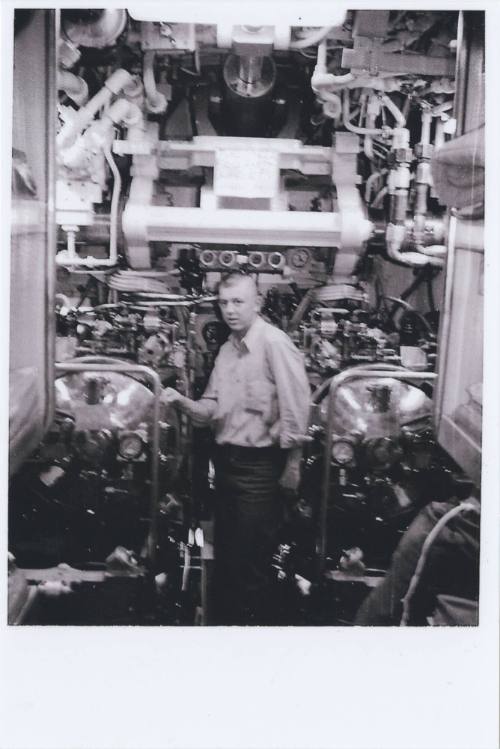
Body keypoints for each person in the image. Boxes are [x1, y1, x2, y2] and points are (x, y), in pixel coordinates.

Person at [162, 272, 311, 625]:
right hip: (227, 468)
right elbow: (210, 410)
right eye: (224, 303)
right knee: (229, 560)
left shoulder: (274, 343)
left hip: (261, 470)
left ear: (257, 303)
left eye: (238, 302)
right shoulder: (228, 350)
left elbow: (296, 408)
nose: (230, 310)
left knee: (251, 566)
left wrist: (293, 465)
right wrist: (181, 401)